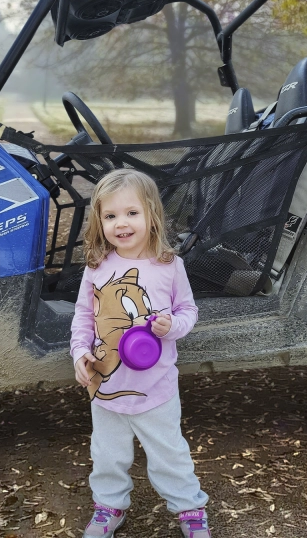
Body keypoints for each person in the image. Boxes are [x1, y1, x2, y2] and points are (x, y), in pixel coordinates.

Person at [70, 169, 211, 538]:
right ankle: (108, 507)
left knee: (169, 454)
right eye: (111, 215)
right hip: (105, 386)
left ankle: (190, 510)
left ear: (151, 215)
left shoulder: (169, 265)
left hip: (156, 386)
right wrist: (80, 352)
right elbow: (84, 316)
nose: (121, 224)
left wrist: (171, 327)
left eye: (132, 213)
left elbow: (188, 312)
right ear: (99, 222)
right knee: (107, 455)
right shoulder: (97, 267)